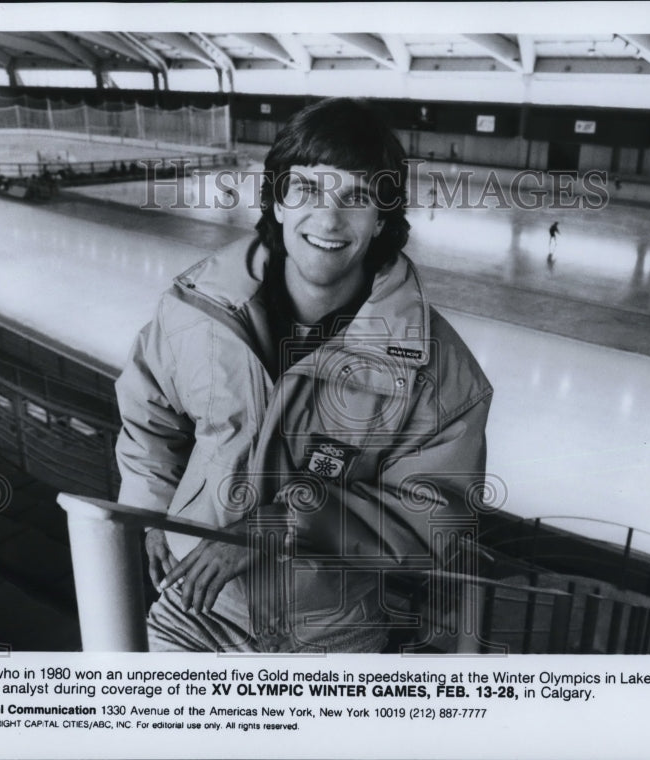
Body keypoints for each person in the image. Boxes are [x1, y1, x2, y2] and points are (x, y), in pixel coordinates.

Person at [115, 97, 493, 654]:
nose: (329, 219)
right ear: (277, 201)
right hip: (195, 609)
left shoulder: (439, 371)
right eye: (307, 189)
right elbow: (149, 416)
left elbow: (431, 518)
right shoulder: (196, 311)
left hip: (331, 632)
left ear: (382, 217)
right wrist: (150, 513)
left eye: (356, 197)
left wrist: (281, 525)